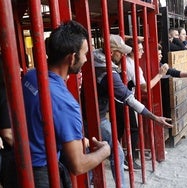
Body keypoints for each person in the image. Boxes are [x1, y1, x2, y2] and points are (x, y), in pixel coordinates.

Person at [22, 20, 111, 187]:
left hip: (18, 165)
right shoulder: (65, 102)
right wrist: (105, 151)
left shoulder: (30, 76)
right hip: (42, 175)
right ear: (71, 58)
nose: (85, 59)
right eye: (84, 54)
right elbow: (78, 165)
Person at [93, 34, 172, 187]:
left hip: (96, 112)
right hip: (98, 116)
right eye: (120, 51)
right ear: (110, 52)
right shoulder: (108, 72)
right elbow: (130, 98)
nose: (123, 54)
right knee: (117, 151)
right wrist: (155, 117)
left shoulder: (93, 58)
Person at [115, 38, 168, 170]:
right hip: (124, 100)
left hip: (118, 99)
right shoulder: (132, 66)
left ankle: (119, 157)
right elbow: (145, 87)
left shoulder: (127, 62)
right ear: (131, 51)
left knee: (120, 130)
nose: (143, 51)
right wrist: (160, 75)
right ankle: (127, 159)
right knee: (132, 129)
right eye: (140, 49)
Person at [0, 51, 19, 188]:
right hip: (11, 156)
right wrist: (27, 150)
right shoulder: (5, 93)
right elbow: (7, 134)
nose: (20, 69)